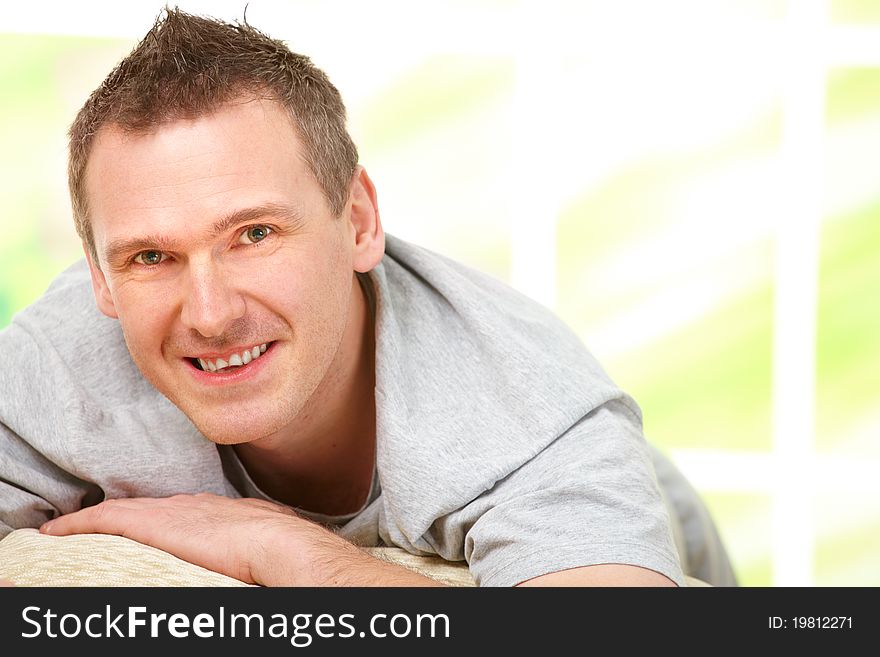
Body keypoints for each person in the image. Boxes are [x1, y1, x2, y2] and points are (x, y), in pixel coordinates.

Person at [0, 8, 736, 587]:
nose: (211, 313)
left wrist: (287, 550)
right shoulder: (53, 368)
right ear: (99, 274)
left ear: (358, 221)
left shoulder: (526, 413)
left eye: (254, 234)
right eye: (151, 256)